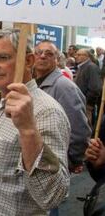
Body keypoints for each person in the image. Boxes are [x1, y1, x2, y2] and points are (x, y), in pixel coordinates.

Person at [0, 29, 70, 215]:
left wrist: (28, 130)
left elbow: (53, 196)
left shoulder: (46, 112)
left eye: (2, 58)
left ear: (28, 61)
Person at [34, 40, 91, 174]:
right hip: (40, 159)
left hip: (54, 164)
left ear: (57, 59)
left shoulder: (64, 87)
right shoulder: (36, 84)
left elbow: (79, 130)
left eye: (49, 54)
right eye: (39, 53)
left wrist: (70, 161)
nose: (42, 56)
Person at [74, 48, 102, 128]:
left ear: (87, 57)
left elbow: (95, 88)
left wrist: (89, 104)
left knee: (85, 127)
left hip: (86, 105)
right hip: (80, 104)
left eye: (79, 55)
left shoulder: (91, 67)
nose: (76, 56)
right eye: (76, 54)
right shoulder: (82, 67)